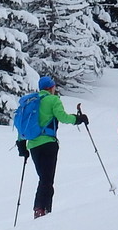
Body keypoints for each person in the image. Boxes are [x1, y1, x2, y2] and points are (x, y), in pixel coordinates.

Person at [17, 75, 85, 219]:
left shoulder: (31, 102)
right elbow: (63, 117)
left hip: (33, 145)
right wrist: (78, 119)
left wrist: (21, 145)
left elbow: (23, 125)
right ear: (51, 87)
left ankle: (41, 209)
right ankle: (42, 210)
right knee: (47, 179)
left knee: (43, 178)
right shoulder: (53, 100)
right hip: (49, 143)